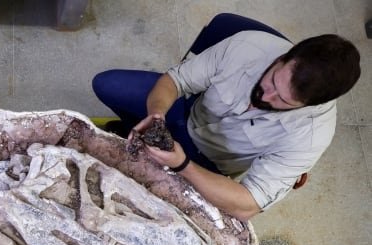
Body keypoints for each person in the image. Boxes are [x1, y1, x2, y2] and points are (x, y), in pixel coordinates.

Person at [92, 31, 361, 221]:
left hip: (208, 163)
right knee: (107, 84)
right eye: (273, 81)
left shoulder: (312, 136)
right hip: (184, 113)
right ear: (283, 58)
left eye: (283, 100)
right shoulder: (248, 46)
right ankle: (131, 126)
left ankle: (161, 158)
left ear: (309, 105)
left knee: (164, 215)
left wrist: (183, 165)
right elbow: (175, 81)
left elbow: (248, 204)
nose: (265, 97)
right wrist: (156, 114)